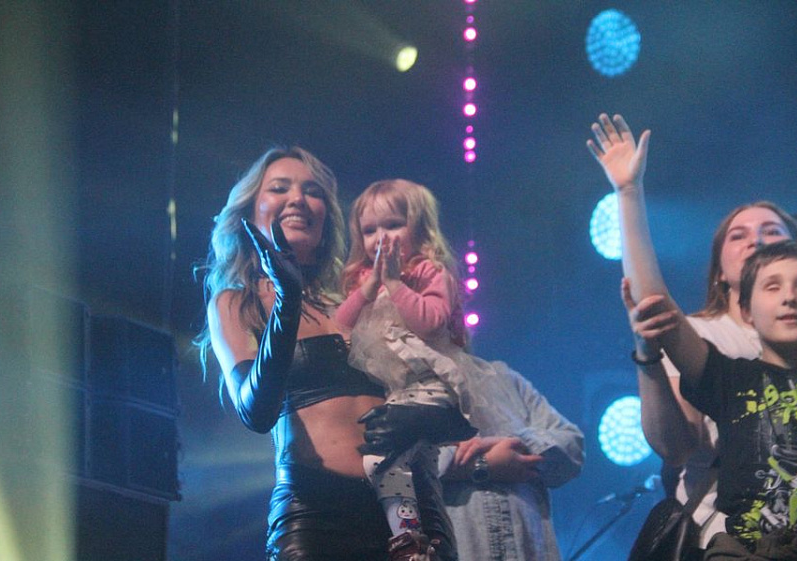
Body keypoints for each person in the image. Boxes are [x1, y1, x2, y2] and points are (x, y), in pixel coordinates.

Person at [197, 147, 466, 561]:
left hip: (412, 507)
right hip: (318, 517)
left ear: (326, 217)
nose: (298, 199)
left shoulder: (357, 299)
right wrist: (286, 302)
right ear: (250, 211)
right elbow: (256, 412)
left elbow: (447, 387)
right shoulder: (237, 303)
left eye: (312, 191)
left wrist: (430, 418)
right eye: (280, 188)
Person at [588, 114, 797, 557]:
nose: (757, 241)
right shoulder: (716, 354)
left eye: (772, 232)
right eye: (739, 235)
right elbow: (654, 305)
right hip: (725, 537)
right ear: (720, 272)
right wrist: (628, 192)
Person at [336, 179, 492, 558]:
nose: (380, 238)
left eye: (393, 225)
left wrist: (394, 282)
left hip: (433, 383)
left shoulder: (430, 272)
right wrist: (372, 285)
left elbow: (430, 321)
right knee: (396, 467)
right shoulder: (364, 281)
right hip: (398, 391)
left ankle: (412, 535)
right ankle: (411, 539)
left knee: (383, 457)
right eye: (369, 230)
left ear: (419, 229)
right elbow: (340, 326)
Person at [440, 360, 585, 561]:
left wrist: (516, 444)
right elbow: (396, 465)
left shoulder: (503, 376)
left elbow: (572, 446)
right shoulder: (398, 381)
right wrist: (484, 464)